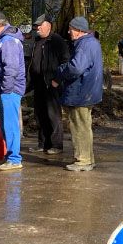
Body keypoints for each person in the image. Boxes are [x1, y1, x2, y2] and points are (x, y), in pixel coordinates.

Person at [52, 16, 102, 172]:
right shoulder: (92, 43)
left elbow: (76, 68)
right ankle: (88, 159)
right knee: (85, 126)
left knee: (79, 127)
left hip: (80, 92)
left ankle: (82, 161)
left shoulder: (84, 45)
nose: (69, 32)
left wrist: (60, 72)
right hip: (88, 91)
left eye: (71, 29)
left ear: (79, 30)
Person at [0, 11, 26, 171]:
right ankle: (10, 157)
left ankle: (14, 159)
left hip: (10, 90)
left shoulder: (8, 41)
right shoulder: (5, 40)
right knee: (6, 125)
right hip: (7, 89)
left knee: (10, 125)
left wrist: (5, 90)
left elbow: (11, 69)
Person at [27, 13, 70, 154]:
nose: (37, 28)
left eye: (40, 25)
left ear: (48, 26)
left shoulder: (57, 41)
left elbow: (66, 62)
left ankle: (56, 145)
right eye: (36, 26)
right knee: (40, 115)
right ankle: (43, 144)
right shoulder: (37, 41)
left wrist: (57, 80)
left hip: (52, 85)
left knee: (53, 115)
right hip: (38, 83)